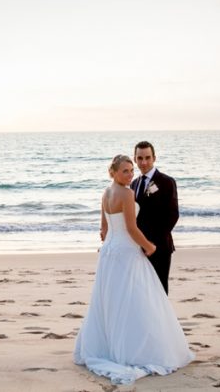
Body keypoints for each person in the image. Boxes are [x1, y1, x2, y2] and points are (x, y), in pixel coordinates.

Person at [73, 155, 193, 385]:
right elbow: (131, 228)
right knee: (136, 300)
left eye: (131, 170)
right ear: (114, 173)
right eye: (125, 171)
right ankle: (136, 350)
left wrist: (108, 246)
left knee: (111, 301)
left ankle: (110, 347)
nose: (130, 174)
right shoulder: (127, 193)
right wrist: (149, 246)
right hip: (126, 253)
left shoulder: (106, 193)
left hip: (109, 253)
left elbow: (104, 229)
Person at [132, 141, 179, 294]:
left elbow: (172, 215)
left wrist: (152, 243)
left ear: (154, 158)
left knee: (159, 290)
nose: (143, 162)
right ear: (135, 159)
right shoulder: (133, 184)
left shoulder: (167, 182)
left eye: (147, 157)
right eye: (140, 158)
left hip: (159, 247)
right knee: (141, 291)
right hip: (138, 247)